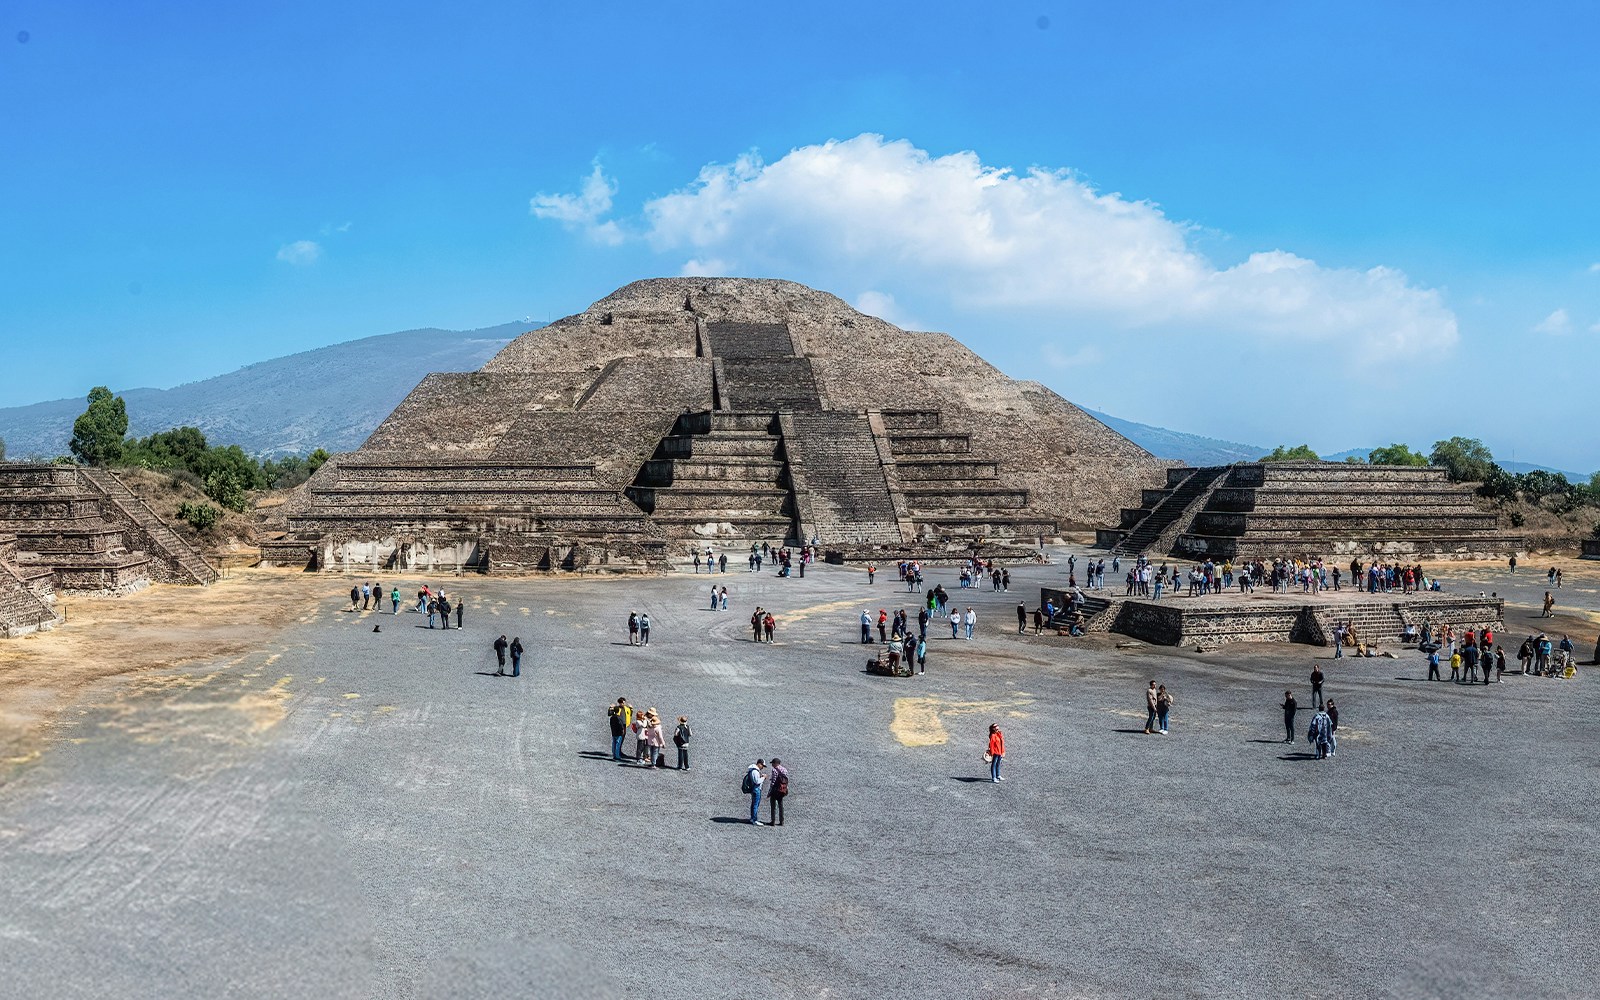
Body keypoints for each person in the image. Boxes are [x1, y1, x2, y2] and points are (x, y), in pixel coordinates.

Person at [767, 758, 789, 826]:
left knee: (773, 805)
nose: (772, 765)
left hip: (775, 790)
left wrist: (769, 792)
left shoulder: (774, 770)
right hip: (782, 790)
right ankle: (781, 821)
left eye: (773, 763)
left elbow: (773, 782)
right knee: (781, 805)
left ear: (776, 763)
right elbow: (786, 780)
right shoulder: (784, 770)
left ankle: (773, 821)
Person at [745, 760, 767, 825]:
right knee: (755, 805)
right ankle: (754, 819)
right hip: (756, 790)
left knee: (754, 804)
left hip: (754, 789)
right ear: (759, 764)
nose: (762, 767)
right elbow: (757, 781)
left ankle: (752, 818)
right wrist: (763, 777)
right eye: (762, 765)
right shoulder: (755, 771)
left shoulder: (753, 770)